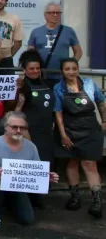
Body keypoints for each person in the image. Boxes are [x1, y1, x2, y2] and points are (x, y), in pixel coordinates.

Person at [0, 111, 59, 228]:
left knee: (27, 219)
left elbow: (36, 170)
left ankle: (12, 203)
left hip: (19, 185)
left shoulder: (31, 146)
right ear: (5, 127)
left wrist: (46, 176)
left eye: (22, 127)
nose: (18, 130)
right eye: (14, 127)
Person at [53, 58, 106, 218]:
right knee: (72, 162)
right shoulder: (58, 88)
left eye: (74, 68)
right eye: (67, 69)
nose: (71, 72)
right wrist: (63, 135)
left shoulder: (89, 83)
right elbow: (58, 112)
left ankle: (97, 201)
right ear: (62, 71)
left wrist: (104, 120)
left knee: (90, 164)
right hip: (69, 130)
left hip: (90, 129)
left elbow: (101, 101)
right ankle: (75, 197)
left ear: (77, 69)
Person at [27, 3, 82, 88]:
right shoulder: (36, 32)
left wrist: (70, 67)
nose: (55, 15)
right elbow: (30, 55)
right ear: (45, 15)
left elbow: (78, 52)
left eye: (58, 13)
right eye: (52, 12)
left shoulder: (69, 31)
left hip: (62, 77)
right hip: (41, 76)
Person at [14, 50, 55, 164]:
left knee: (46, 164)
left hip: (47, 132)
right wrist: (23, 130)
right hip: (29, 132)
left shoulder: (47, 84)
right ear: (24, 70)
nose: (35, 71)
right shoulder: (22, 86)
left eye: (37, 68)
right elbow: (17, 111)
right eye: (31, 69)